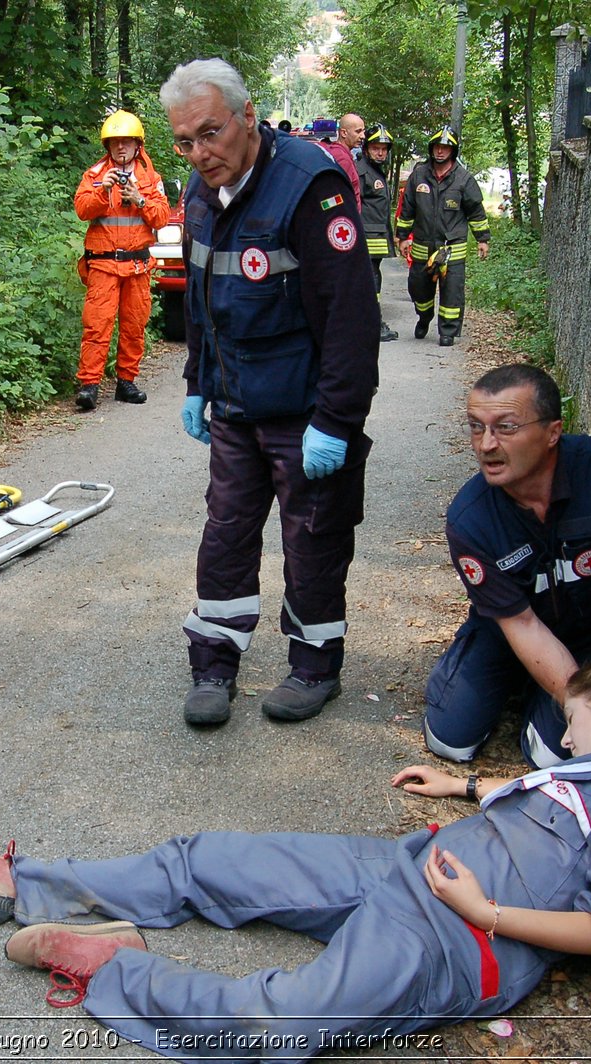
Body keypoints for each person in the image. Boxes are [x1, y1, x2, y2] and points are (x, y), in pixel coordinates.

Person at [0, 660, 591, 1061]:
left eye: (572, 725)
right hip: (405, 865)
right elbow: (560, 795)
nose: (565, 741)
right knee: (211, 860)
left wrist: (486, 913)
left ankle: (116, 968)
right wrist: (468, 784)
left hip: (460, 938)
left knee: (281, 1021)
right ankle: (27, 884)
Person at [167, 59, 380, 728]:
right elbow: (204, 300)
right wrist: (198, 383)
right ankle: (215, 662)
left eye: (210, 133)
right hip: (234, 407)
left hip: (304, 413)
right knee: (225, 534)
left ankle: (315, 665)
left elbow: (351, 315)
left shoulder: (308, 188)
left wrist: (337, 420)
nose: (201, 153)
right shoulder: (201, 194)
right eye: (184, 142)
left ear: (248, 115)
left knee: (313, 538)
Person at [426, 363, 591, 768]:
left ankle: (541, 697)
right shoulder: (470, 519)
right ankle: (507, 675)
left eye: (506, 427)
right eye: (475, 427)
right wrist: (578, 701)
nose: (486, 445)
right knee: (449, 742)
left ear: (553, 432)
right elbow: (522, 625)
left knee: (554, 756)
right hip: (514, 627)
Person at [73, 109, 170, 411]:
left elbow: (162, 216)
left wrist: (139, 199)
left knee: (134, 325)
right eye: (115, 143)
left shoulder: (151, 179)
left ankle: (126, 382)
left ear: (137, 145)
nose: (121, 148)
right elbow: (82, 209)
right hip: (103, 265)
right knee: (96, 326)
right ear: (108, 147)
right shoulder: (94, 176)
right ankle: (89, 385)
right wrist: (105, 190)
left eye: (126, 142)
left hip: (138, 267)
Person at [393, 126, 490, 347]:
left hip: (451, 246)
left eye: (445, 148)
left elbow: (476, 211)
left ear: (453, 150)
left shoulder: (464, 179)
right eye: (437, 147)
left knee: (452, 291)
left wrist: (482, 239)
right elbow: (407, 209)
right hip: (422, 243)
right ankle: (424, 317)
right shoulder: (419, 174)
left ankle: (447, 330)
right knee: (418, 286)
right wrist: (402, 236)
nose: (440, 151)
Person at [356, 125, 397, 343]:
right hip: (367, 236)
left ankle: (370, 322)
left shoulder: (376, 171)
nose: (380, 153)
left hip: (377, 235)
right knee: (371, 281)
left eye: (383, 149)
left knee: (373, 278)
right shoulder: (362, 172)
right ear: (366, 149)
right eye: (375, 148)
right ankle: (373, 324)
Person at [307, 117, 360, 208]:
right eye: (358, 131)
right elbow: (331, 198)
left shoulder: (335, 153)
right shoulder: (342, 158)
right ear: (344, 133)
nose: (363, 136)